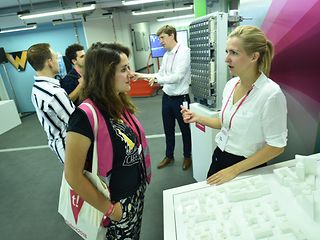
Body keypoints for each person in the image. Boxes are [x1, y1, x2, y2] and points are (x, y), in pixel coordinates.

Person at [64, 42, 151, 239]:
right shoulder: (84, 116)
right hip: (115, 205)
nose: (131, 73)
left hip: (134, 194)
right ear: (105, 75)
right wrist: (111, 210)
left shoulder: (118, 104)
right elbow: (72, 175)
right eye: (123, 69)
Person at [181, 25, 288, 185]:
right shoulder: (231, 85)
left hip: (248, 167)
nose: (226, 59)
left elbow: (276, 146)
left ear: (254, 57)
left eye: (234, 53)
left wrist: (234, 170)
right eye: (227, 52)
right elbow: (226, 123)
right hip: (220, 157)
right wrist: (198, 118)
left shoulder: (271, 94)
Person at [135, 25, 192, 170]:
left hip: (181, 99)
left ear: (172, 35)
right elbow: (160, 74)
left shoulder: (184, 52)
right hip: (167, 98)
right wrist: (140, 75)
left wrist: (158, 80)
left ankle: (187, 156)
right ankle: (169, 155)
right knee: (168, 129)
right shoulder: (166, 55)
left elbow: (177, 77)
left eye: (162, 37)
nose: (160, 41)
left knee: (185, 130)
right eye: (159, 38)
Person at [27, 43, 75, 163]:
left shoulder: (37, 87)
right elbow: (76, 121)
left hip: (57, 142)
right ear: (49, 62)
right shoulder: (54, 92)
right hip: (68, 145)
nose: (59, 61)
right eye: (55, 58)